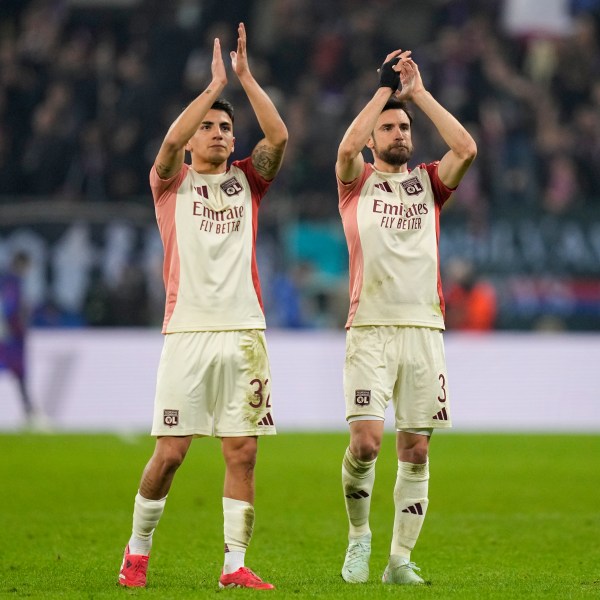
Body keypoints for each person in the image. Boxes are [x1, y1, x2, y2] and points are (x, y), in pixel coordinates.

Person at [117, 23, 287, 591]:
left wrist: (244, 80)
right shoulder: (171, 185)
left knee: (242, 452)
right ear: (194, 139)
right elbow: (167, 145)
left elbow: (280, 138)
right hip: (187, 332)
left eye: (225, 128)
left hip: (244, 332)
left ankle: (234, 567)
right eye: (209, 126)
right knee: (171, 453)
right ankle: (136, 553)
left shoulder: (248, 181)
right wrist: (211, 88)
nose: (217, 133)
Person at [335, 49, 477, 585]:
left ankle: (398, 561)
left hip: (424, 328)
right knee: (367, 442)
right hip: (369, 326)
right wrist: (380, 92)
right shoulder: (356, 183)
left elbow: (466, 146)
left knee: (415, 449)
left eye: (403, 127)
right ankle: (358, 538)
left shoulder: (429, 184)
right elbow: (346, 146)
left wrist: (416, 94)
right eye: (387, 127)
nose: (397, 133)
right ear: (374, 138)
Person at [0, 251, 42, 428]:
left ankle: (30, 411)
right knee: (20, 373)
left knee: (21, 375)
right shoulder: (11, 282)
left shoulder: (13, 282)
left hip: (14, 336)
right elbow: (8, 308)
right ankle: (30, 412)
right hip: (10, 338)